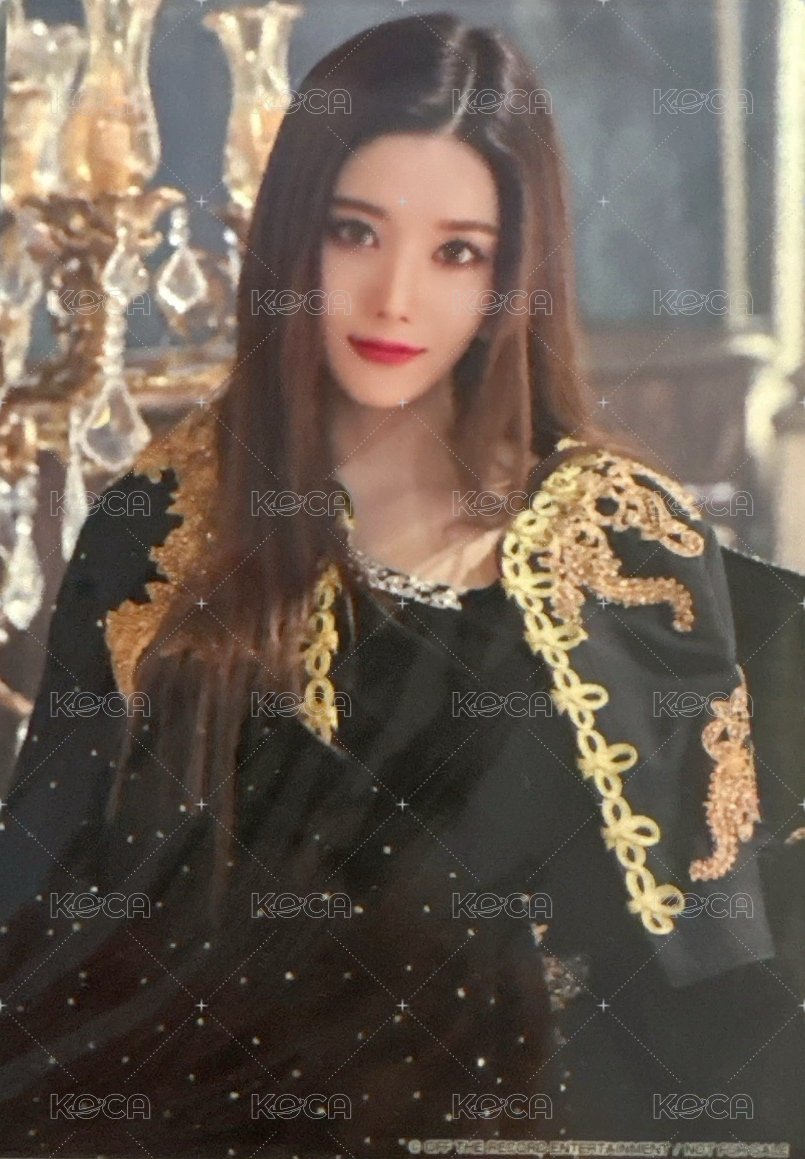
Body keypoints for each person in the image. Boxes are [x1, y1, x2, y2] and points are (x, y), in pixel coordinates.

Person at [2, 12, 804, 1158]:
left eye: (456, 252)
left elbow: (699, 964)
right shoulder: (160, 528)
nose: (392, 298)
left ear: (515, 273)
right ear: (292, 236)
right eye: (354, 232)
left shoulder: (624, 545)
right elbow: (52, 906)